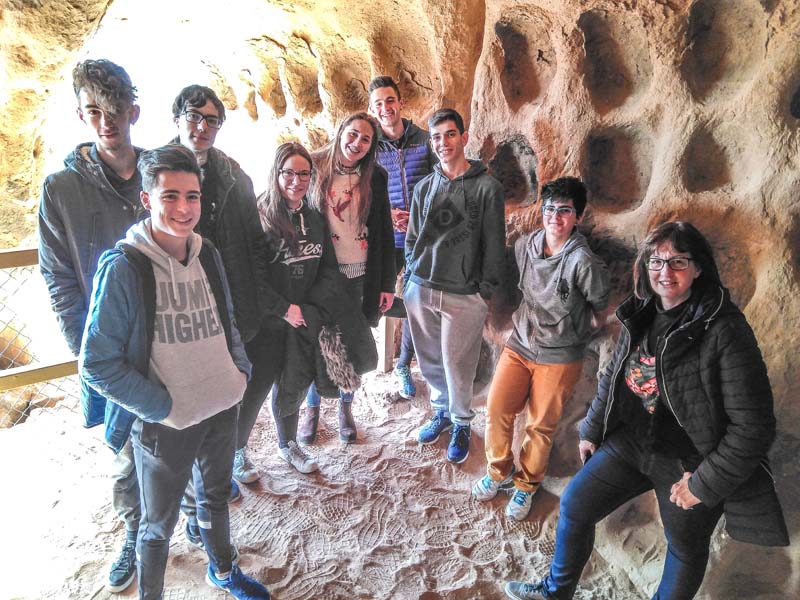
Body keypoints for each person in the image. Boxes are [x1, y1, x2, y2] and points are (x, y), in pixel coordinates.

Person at [503, 221, 789, 600]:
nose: (664, 272)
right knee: (575, 504)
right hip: (634, 442)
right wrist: (592, 428)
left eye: (678, 261)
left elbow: (753, 427)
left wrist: (704, 483)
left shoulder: (725, 330)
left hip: (690, 461)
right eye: (656, 261)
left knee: (684, 549)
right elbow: (614, 374)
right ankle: (556, 593)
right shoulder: (643, 310)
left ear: (698, 268)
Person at [80, 144, 271, 600]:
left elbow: (225, 317)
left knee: (214, 496)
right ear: (147, 198)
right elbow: (96, 362)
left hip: (221, 405)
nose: (184, 208)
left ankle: (222, 570)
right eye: (170, 196)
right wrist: (163, 406)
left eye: (192, 196)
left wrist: (239, 373)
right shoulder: (126, 266)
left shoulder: (208, 253)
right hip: (166, 423)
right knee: (157, 526)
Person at [38, 59, 146, 592]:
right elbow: (59, 277)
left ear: (134, 111)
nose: (108, 121)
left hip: (170, 334)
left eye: (116, 109)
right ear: (82, 115)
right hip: (111, 345)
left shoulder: (159, 172)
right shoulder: (62, 189)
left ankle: (191, 518)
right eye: (94, 111)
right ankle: (133, 532)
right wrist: (86, 348)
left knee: (183, 434)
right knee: (125, 449)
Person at [472, 177, 610, 521]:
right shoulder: (526, 245)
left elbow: (599, 306)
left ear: (578, 216)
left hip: (559, 355)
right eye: (549, 209)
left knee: (540, 425)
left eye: (565, 211)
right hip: (521, 343)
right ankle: (498, 470)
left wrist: (580, 328)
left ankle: (526, 484)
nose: (555, 217)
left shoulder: (582, 262)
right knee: (497, 407)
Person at [171, 85, 268, 490]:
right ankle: (195, 478)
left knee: (229, 383)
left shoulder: (232, 175)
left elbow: (255, 243)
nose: (202, 127)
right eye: (194, 116)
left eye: (211, 120)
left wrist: (255, 299)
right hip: (178, 300)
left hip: (227, 295)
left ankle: (222, 464)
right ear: (177, 119)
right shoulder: (157, 168)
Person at [404, 107, 505, 464]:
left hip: (464, 293)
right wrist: (412, 273)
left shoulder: (487, 188)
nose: (443, 142)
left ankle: (462, 422)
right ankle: (442, 412)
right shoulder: (424, 187)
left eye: (450, 134)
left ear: (464, 137)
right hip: (422, 286)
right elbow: (413, 236)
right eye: (436, 137)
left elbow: (494, 243)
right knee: (430, 359)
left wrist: (484, 290)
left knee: (458, 363)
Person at [298, 112, 395, 444]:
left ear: (372, 146)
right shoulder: (313, 167)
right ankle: (312, 409)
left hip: (361, 275)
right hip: (321, 275)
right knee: (319, 342)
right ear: (340, 132)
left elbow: (383, 232)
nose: (357, 143)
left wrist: (386, 284)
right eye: (353, 134)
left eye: (365, 139)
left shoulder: (375, 176)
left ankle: (345, 407)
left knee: (351, 343)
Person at [368, 75, 436, 399]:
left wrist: (419, 217)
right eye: (378, 104)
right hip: (386, 240)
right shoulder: (370, 146)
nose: (385, 108)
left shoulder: (424, 139)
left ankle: (404, 365)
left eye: (390, 100)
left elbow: (439, 185)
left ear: (401, 102)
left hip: (420, 238)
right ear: (372, 109)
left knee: (414, 301)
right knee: (374, 297)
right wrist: (388, 213)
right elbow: (365, 193)